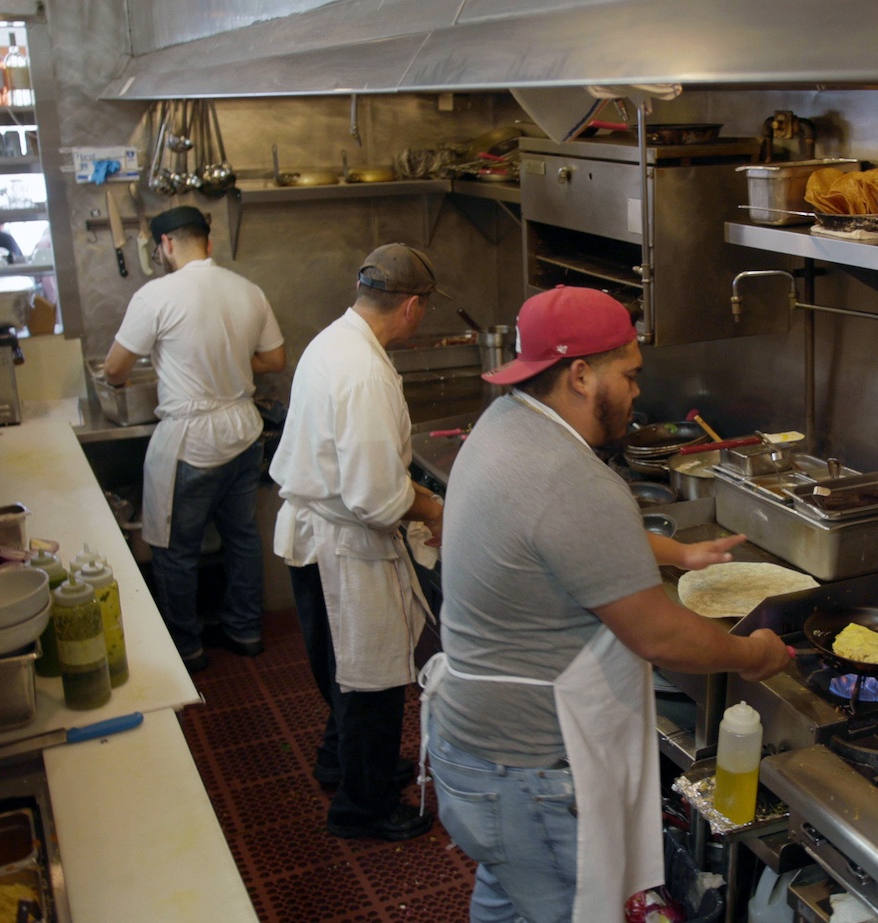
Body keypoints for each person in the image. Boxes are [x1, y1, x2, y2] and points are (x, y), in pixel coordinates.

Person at [422, 285, 793, 922]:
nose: (638, 390)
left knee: (506, 904)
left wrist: (675, 555)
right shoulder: (574, 480)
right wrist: (754, 654)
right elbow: (661, 637)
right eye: (629, 373)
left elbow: (549, 535)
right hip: (529, 774)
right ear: (580, 374)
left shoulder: (503, 423)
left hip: (472, 752)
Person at [269, 243, 447, 842]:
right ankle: (361, 808)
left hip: (315, 536)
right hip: (344, 546)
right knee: (369, 680)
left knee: (343, 670)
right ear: (414, 307)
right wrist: (433, 507)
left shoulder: (333, 340)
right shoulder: (366, 371)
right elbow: (375, 496)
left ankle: (340, 762)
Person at [104, 205, 285, 673]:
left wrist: (130, 380)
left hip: (191, 443)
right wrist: (229, 364)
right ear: (208, 242)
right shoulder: (247, 290)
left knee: (175, 550)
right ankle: (245, 631)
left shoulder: (156, 295)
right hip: (245, 434)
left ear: (165, 245)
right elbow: (275, 359)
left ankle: (186, 648)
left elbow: (113, 369)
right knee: (242, 538)